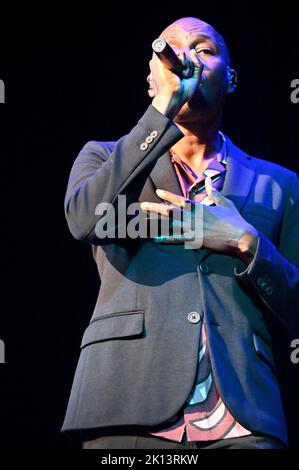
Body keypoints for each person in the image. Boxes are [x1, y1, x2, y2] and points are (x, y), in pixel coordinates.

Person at [62, 17, 299, 449]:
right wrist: (162, 112)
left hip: (242, 417)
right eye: (171, 50)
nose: (187, 57)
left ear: (230, 78)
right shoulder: (105, 157)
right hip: (126, 404)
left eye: (204, 49)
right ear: (152, 81)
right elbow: (84, 219)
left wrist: (247, 243)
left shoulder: (279, 184)